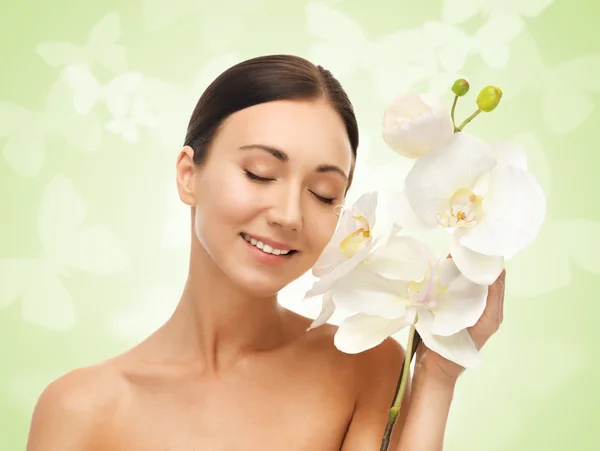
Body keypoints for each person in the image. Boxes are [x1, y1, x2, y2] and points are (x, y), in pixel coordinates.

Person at [26, 54, 506, 451]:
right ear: (188, 175)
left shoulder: (365, 366)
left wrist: (439, 373)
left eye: (322, 193)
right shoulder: (81, 408)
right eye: (259, 173)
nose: (289, 215)